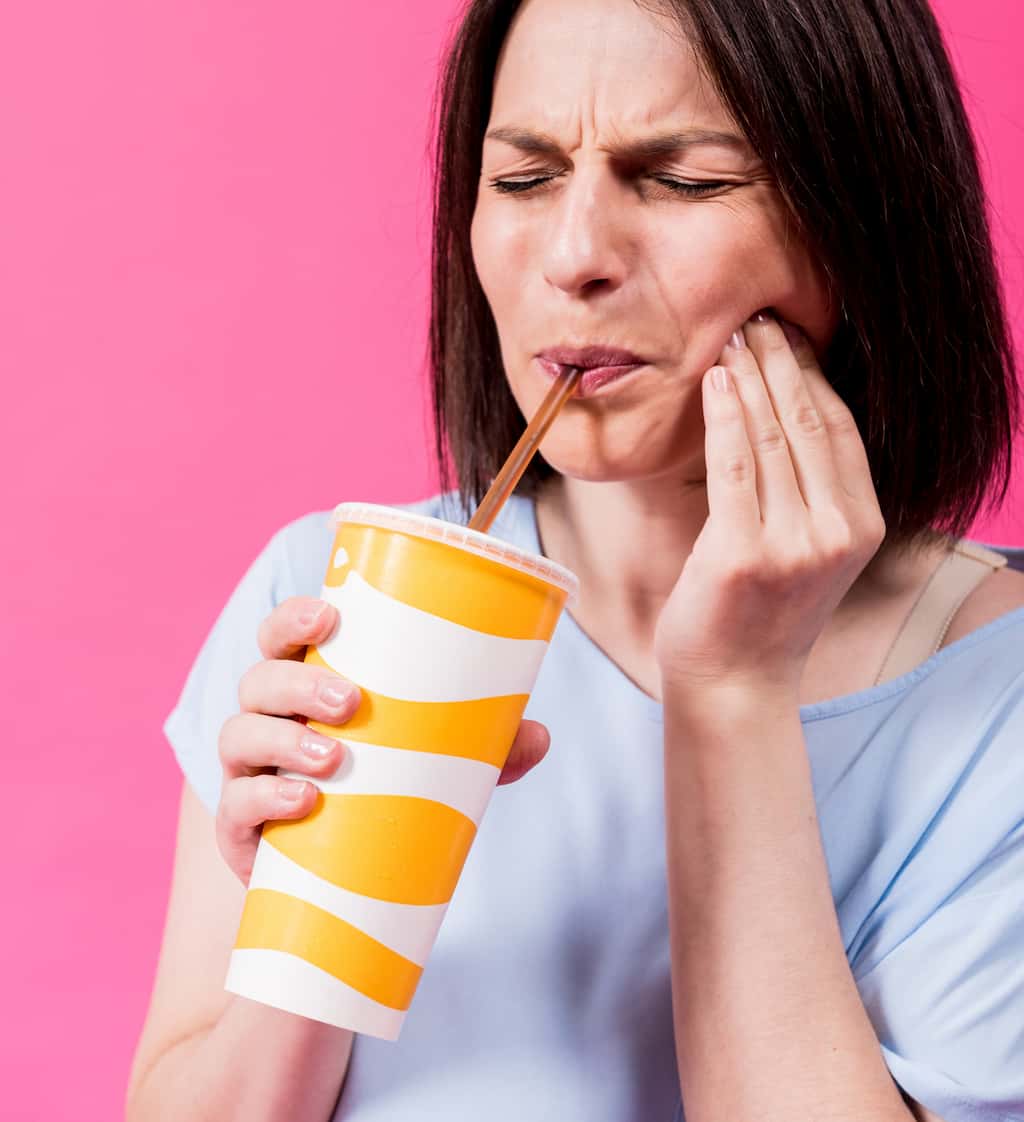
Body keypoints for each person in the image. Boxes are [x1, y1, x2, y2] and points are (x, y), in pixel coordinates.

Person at [126, 0, 1024, 1119]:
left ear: (861, 222)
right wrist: (319, 909)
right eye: (522, 179)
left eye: (684, 180)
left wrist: (731, 691)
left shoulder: (1000, 692)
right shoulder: (328, 587)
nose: (573, 256)